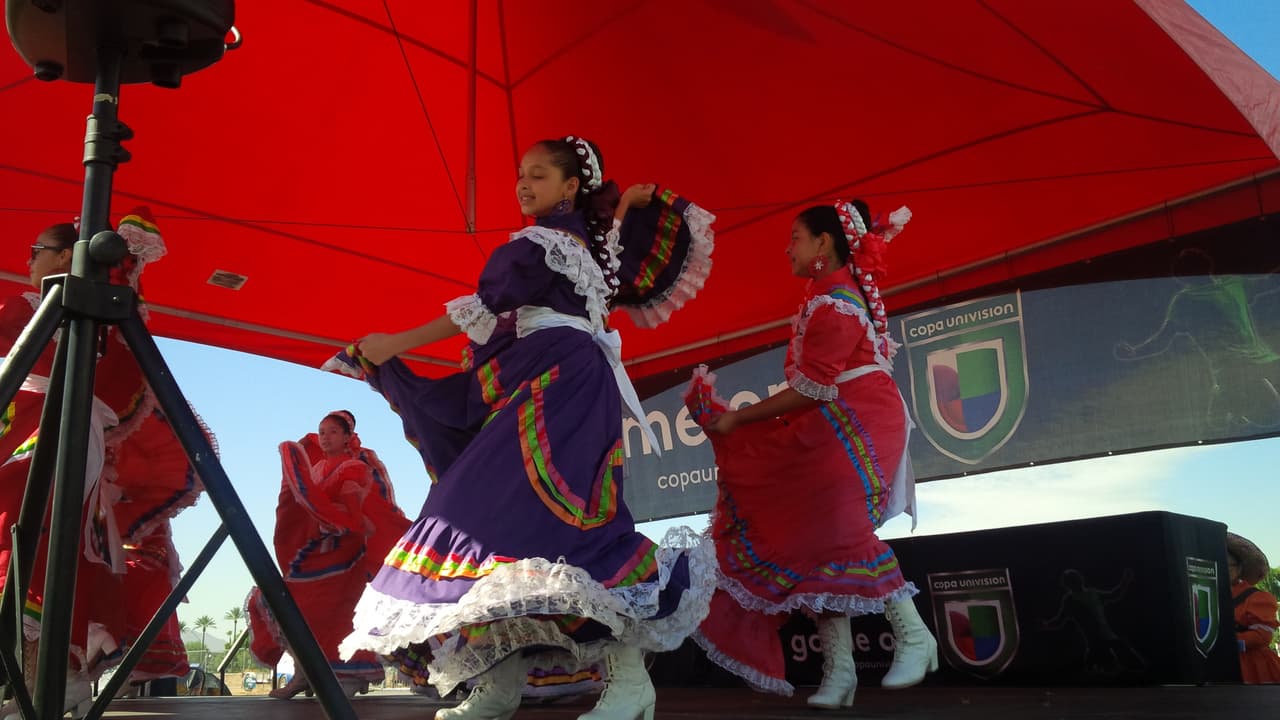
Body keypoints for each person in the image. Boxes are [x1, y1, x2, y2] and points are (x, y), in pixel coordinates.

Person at [329, 135, 717, 720]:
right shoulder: (585, 250)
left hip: (558, 386)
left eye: (539, 174)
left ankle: (628, 679)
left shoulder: (540, 244)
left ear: (569, 187)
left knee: (521, 521)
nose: (523, 184)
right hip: (561, 381)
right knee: (516, 531)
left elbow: (483, 308)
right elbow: (607, 267)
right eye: (521, 174)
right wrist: (627, 208)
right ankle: (505, 681)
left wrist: (394, 343)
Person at [683, 200, 935, 708]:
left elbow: (815, 388)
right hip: (839, 416)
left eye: (796, 236)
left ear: (824, 243)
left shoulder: (837, 303)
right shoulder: (823, 299)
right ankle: (839, 673)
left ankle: (915, 635)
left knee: (842, 532)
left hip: (857, 419)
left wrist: (735, 418)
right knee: (816, 541)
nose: (788, 246)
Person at [0, 211, 205, 717]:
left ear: (66, 257)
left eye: (35, 250)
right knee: (43, 550)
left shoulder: (44, 309)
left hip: (50, 432)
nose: (27, 260)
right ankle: (55, 679)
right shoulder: (88, 317)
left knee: (30, 543)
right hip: (50, 430)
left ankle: (51, 680)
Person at [245, 410, 411, 698]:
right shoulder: (317, 467)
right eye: (322, 432)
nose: (325, 437)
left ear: (348, 437)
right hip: (314, 551)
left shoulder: (354, 466)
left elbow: (355, 509)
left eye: (333, 432)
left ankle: (344, 675)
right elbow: (305, 503)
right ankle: (304, 673)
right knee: (286, 603)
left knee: (337, 613)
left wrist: (352, 522)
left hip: (344, 555)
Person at [1226, 532, 1280, 684]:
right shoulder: (1204, 595)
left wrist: (1226, 643)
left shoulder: (1258, 598)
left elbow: (1262, 636)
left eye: (1228, 565)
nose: (1223, 569)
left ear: (1239, 569)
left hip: (1254, 669)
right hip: (1218, 666)